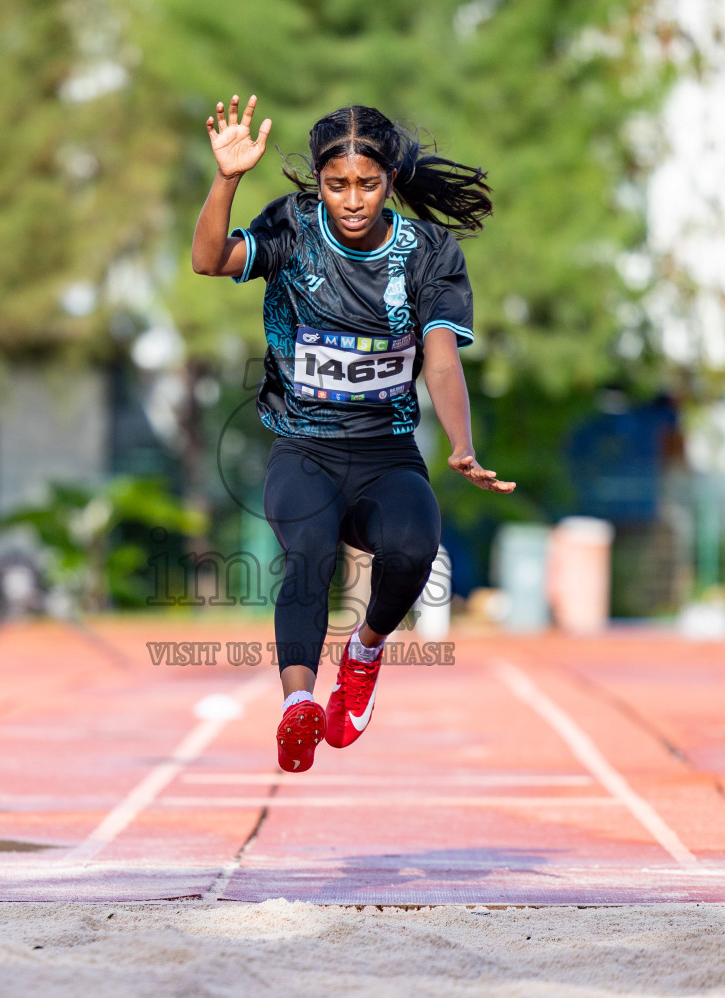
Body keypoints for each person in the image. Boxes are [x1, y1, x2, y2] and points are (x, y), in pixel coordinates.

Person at [191, 96, 515, 773]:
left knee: (415, 545)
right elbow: (209, 259)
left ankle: (364, 654)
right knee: (308, 554)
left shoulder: (428, 253)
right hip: (302, 450)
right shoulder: (293, 229)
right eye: (337, 185)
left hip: (384, 454)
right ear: (319, 183)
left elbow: (441, 356)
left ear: (390, 180)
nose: (353, 199)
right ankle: (298, 706)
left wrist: (461, 443)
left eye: (367, 184)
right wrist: (226, 179)